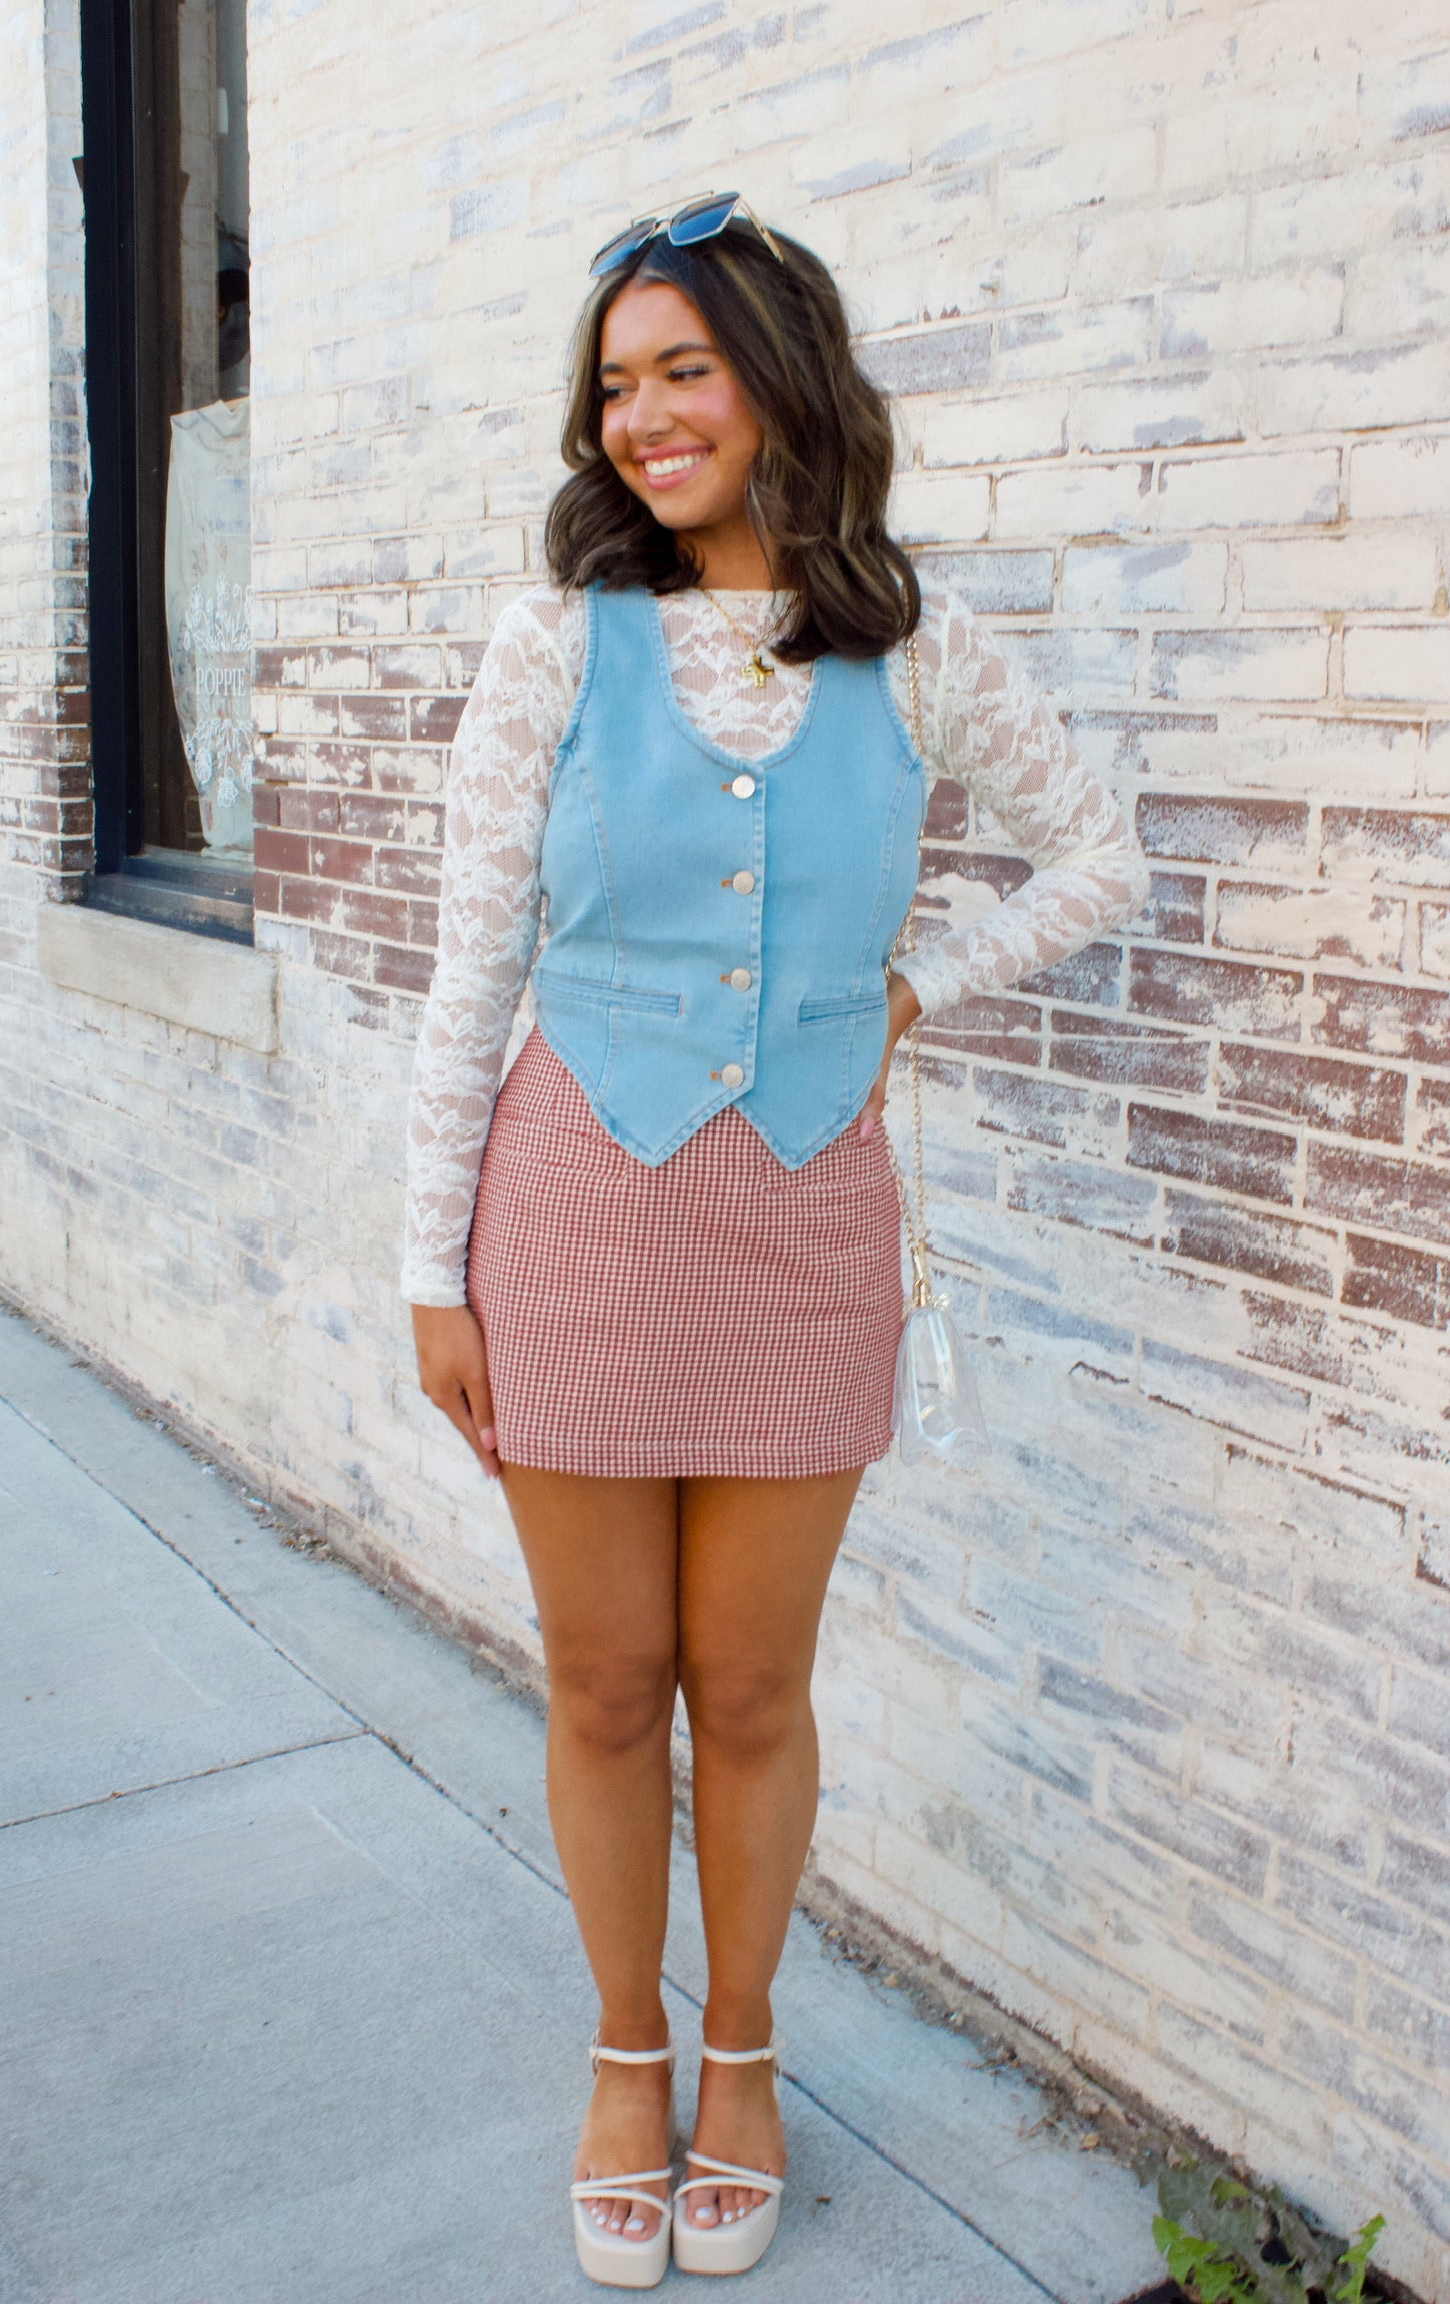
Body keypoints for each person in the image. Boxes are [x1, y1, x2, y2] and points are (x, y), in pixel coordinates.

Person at [402, 192, 1149, 2287]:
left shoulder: (921, 652)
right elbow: (471, 973)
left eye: (684, 370)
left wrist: (919, 991)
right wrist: (432, 1270)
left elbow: (1099, 856)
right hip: (572, 1214)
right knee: (602, 1677)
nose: (642, 418)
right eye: (615, 386)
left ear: (782, 379)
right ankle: (623, 2055)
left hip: (809, 1219)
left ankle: (742, 2058)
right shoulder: (555, 644)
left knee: (748, 1684)